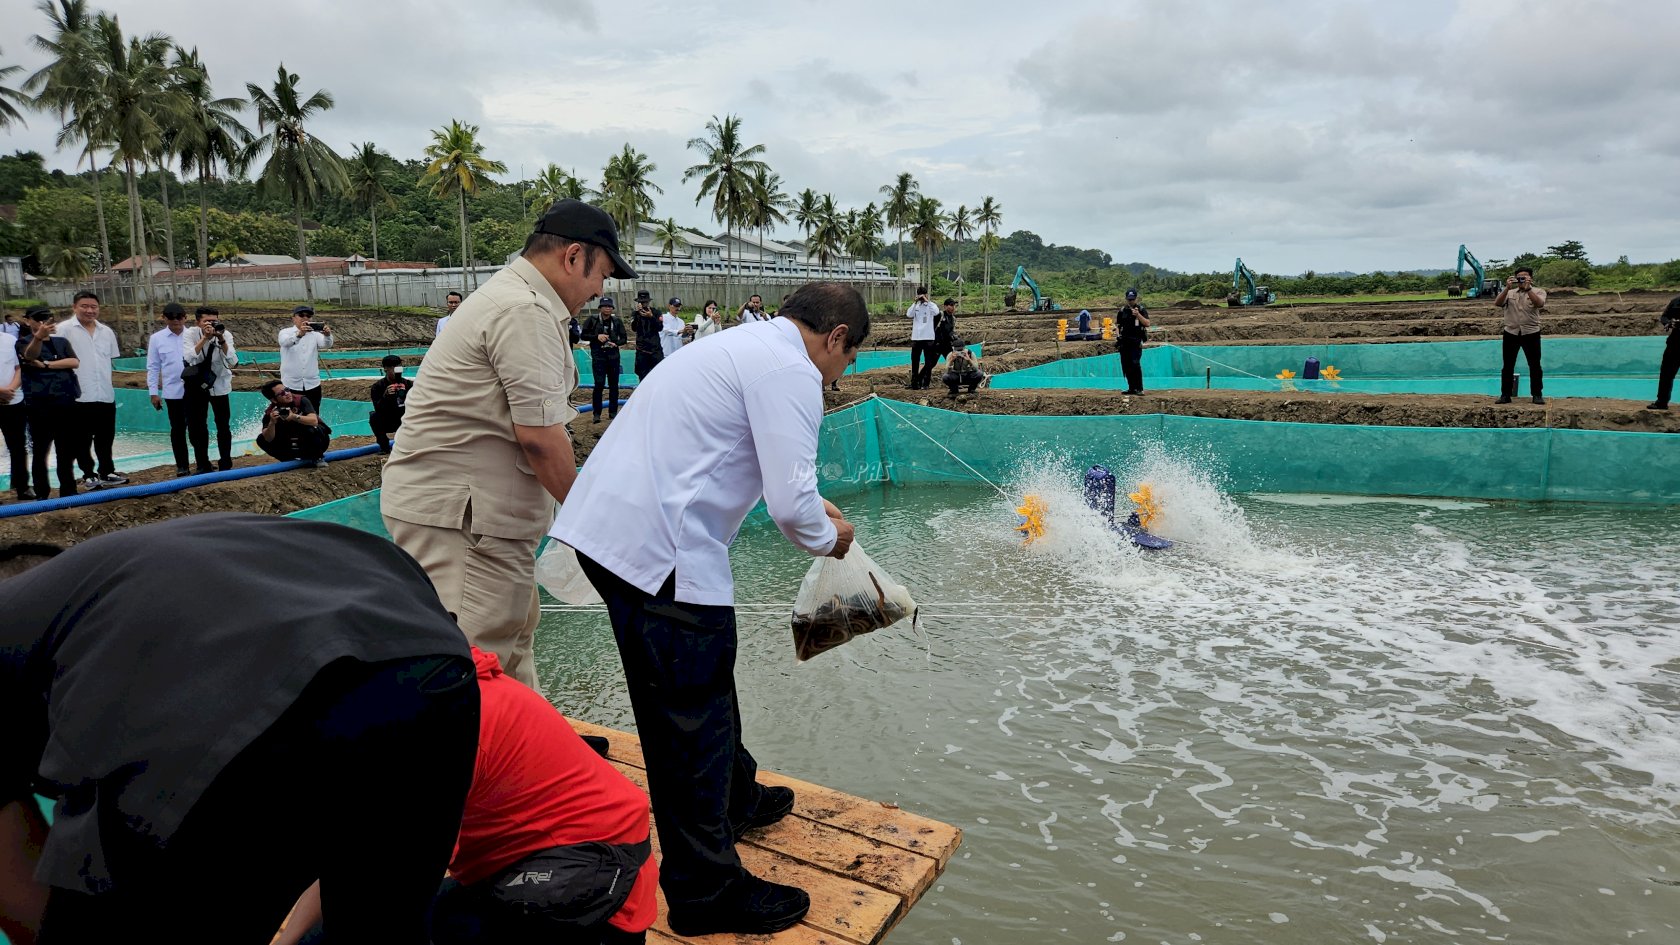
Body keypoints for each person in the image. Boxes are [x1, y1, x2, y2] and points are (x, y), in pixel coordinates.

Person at [0, 514, 479, 945]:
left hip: (239, 695)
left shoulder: (44, 618)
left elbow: (17, 881)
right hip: (429, 663)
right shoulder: (110, 575)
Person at [551, 281, 864, 937]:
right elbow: (791, 507)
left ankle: (735, 795)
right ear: (835, 336)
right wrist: (829, 535)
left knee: (704, 672)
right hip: (657, 552)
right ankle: (704, 891)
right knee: (687, 716)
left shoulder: (744, 344)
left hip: (618, 536)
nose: (845, 372)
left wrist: (812, 507)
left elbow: (772, 474)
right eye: (850, 356)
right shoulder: (792, 371)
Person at [382, 198, 634, 690]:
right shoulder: (525, 311)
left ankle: (528, 759)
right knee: (474, 666)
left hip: (479, 518)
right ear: (573, 256)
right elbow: (540, 439)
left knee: (512, 647)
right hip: (464, 524)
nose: (599, 289)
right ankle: (474, 766)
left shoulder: (517, 299)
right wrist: (595, 520)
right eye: (601, 274)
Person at [273, 647, 658, 945]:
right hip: (525, 867)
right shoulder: (413, 684)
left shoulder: (428, 732)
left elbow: (392, 893)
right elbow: (343, 853)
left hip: (595, 893)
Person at [58, 290, 127, 489]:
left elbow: (109, 359)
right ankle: (88, 474)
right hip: (78, 395)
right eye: (84, 306)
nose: (90, 310)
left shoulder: (106, 332)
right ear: (74, 307)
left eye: (93, 307)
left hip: (104, 393)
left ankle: (107, 471)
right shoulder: (63, 330)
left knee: (106, 437)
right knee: (82, 439)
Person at [17, 306, 80, 499]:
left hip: (65, 402)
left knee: (66, 450)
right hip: (39, 405)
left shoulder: (61, 342)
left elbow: (74, 362)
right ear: (29, 321)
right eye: (40, 320)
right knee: (40, 451)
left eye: (48, 319)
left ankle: (68, 491)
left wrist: (46, 365)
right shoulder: (24, 343)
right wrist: (38, 337)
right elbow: (30, 357)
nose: (45, 323)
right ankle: (42, 493)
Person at [146, 301, 203, 477]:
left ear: (185, 318)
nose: (176, 321)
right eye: (171, 317)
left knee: (198, 428)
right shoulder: (157, 339)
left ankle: (202, 463)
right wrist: (153, 392)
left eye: (179, 317)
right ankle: (182, 465)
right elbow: (153, 366)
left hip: (195, 391)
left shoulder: (195, 335)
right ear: (164, 318)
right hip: (173, 392)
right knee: (178, 430)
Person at [182, 305, 240, 472]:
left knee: (223, 425)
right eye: (207, 321)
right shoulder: (191, 334)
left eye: (215, 321)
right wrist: (205, 338)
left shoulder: (225, 334)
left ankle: (226, 462)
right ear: (198, 322)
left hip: (220, 384)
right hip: (197, 385)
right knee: (198, 425)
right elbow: (189, 357)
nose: (212, 324)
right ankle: (202, 463)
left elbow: (233, 361)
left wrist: (221, 340)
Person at [1494, 266, 1546, 405]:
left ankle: (1537, 394)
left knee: (1535, 365)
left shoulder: (1538, 291)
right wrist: (1506, 288)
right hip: (1511, 332)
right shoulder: (1509, 293)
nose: (1521, 280)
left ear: (1531, 278)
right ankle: (1505, 395)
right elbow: (1497, 303)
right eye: (1519, 277)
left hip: (1531, 332)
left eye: (1524, 277)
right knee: (1508, 365)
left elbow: (1539, 304)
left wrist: (1528, 289)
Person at [257, 379, 332, 467]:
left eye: (287, 390)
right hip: (294, 445)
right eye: (282, 393)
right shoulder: (271, 412)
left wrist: (294, 417)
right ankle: (288, 460)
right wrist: (272, 423)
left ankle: (318, 457)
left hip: (317, 441)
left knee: (310, 428)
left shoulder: (301, 400)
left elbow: (313, 421)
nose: (287, 394)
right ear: (274, 400)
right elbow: (268, 439)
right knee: (261, 439)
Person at [581, 296, 628, 423]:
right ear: (600, 308)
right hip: (598, 357)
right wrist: (597, 336)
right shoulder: (592, 320)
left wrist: (616, 343)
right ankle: (597, 414)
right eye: (605, 306)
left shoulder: (616, 321)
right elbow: (583, 335)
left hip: (613, 357)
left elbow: (624, 338)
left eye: (609, 306)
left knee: (614, 385)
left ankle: (613, 413)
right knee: (599, 385)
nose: (607, 308)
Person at [279, 304, 333, 410]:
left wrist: (327, 335)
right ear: (294, 318)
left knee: (313, 415)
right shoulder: (285, 332)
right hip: (291, 384)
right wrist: (299, 334)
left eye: (308, 316)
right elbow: (285, 342)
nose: (305, 318)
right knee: (291, 415)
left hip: (312, 384)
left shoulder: (315, 334)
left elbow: (326, 344)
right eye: (301, 315)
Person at [0, 323, 26, 502]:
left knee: (18, 446)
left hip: (13, 400)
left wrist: (10, 389)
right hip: (5, 396)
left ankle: (21, 487)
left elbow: (19, 368)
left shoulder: (10, 340)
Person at [369, 355, 413, 454]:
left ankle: (412, 444)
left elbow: (418, 404)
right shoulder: (378, 387)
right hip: (388, 419)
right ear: (385, 369)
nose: (397, 371)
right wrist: (386, 396)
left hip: (405, 419)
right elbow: (378, 409)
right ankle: (384, 447)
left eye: (399, 367)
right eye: (393, 368)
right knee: (374, 417)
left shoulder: (408, 384)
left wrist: (407, 395)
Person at [1115, 289, 1151, 395]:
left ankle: (1139, 388)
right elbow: (1117, 325)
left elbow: (1147, 323)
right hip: (1124, 341)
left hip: (1135, 341)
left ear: (1136, 298)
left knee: (1135, 364)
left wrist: (1138, 315)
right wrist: (1118, 337)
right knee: (1126, 365)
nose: (1131, 301)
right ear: (1126, 299)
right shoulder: (1122, 311)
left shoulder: (1141, 309)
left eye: (1133, 299)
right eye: (1129, 299)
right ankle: (1131, 388)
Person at [1647, 295, 1680, 410]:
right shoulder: (1676, 301)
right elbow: (1664, 317)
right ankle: (1661, 402)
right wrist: (1670, 323)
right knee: (1666, 373)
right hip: (1674, 343)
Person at [906, 285, 940, 389]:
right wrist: (915, 302)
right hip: (916, 337)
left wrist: (927, 301)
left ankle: (926, 383)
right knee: (915, 361)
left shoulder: (931, 305)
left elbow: (936, 312)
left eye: (922, 295)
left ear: (926, 294)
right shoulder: (916, 306)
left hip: (928, 338)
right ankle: (914, 383)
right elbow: (909, 314)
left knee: (928, 362)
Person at [630, 289, 663, 380]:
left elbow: (660, 327)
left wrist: (651, 317)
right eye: (641, 302)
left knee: (658, 374)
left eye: (645, 302)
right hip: (642, 350)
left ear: (648, 301)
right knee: (642, 375)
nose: (643, 304)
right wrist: (638, 314)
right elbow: (633, 328)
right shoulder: (635, 314)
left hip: (655, 350)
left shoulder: (656, 312)